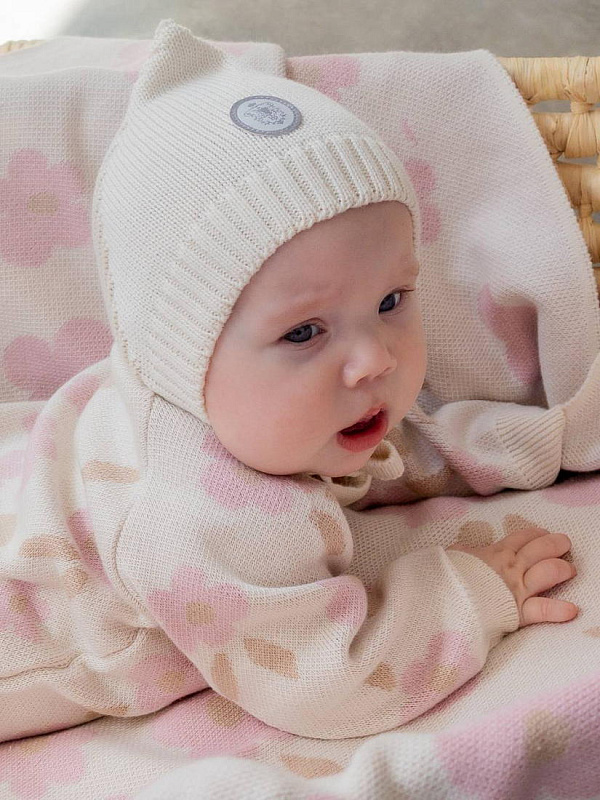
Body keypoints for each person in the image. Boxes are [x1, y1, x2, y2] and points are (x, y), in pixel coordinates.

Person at [0, 19, 577, 743]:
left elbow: (387, 453)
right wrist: (471, 592)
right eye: (304, 333)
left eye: (391, 300)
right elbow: (328, 683)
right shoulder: (203, 517)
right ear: (184, 348)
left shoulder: (262, 406)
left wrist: (531, 441)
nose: (375, 360)